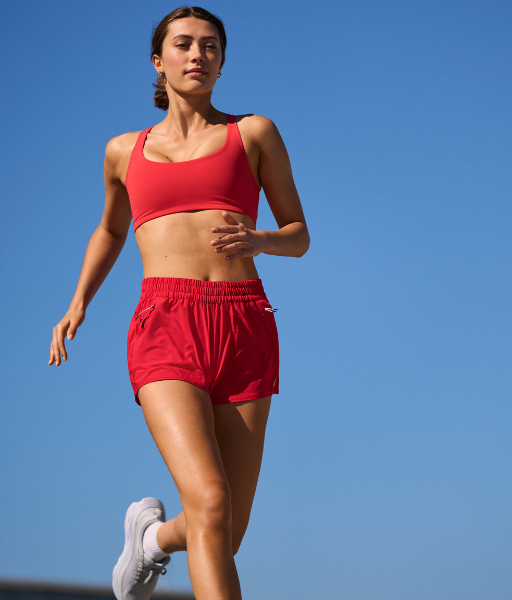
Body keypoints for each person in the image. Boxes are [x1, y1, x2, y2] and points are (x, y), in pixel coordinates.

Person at [48, 6, 309, 600]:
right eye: (185, 44)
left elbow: (299, 232)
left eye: (211, 46)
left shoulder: (253, 133)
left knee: (224, 531)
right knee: (211, 502)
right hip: (165, 323)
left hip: (245, 321)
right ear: (158, 61)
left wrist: (261, 239)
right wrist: (79, 301)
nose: (198, 55)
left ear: (221, 61)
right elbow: (112, 230)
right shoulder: (124, 151)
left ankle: (153, 541)